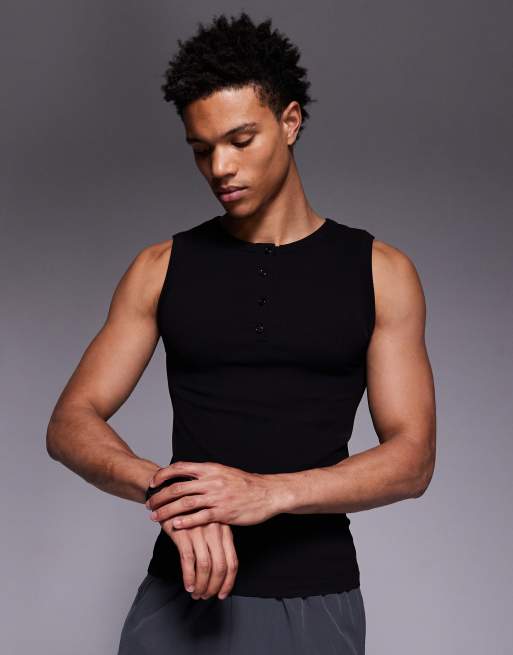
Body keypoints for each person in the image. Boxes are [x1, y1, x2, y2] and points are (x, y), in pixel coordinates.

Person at [46, 11, 436, 655]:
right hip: (179, 597)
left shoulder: (380, 272)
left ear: (290, 121)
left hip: (313, 601)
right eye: (202, 149)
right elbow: (69, 422)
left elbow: (412, 459)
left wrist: (268, 493)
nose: (219, 168)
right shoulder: (159, 267)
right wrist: (169, 492)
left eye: (240, 140)